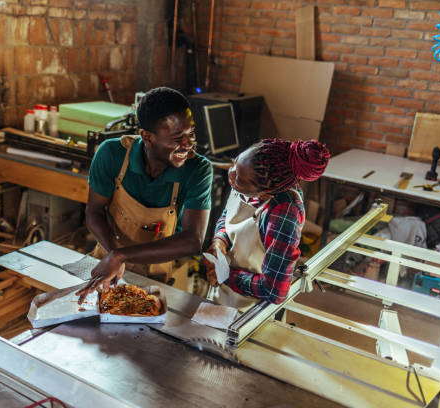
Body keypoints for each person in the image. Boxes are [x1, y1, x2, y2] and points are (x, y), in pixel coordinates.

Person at [77, 87, 213, 300]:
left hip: (154, 276)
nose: (187, 144)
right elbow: (94, 211)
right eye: (178, 137)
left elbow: (193, 240)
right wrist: (113, 255)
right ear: (147, 137)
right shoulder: (112, 154)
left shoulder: (198, 170)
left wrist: (121, 256)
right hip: (106, 264)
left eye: (191, 134)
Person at [204, 138, 330, 310]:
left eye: (239, 179)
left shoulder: (284, 213)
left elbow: (274, 291)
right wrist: (219, 241)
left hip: (249, 309)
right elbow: (227, 216)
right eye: (234, 164)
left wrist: (225, 275)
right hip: (222, 293)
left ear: (264, 194)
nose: (231, 174)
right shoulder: (245, 175)